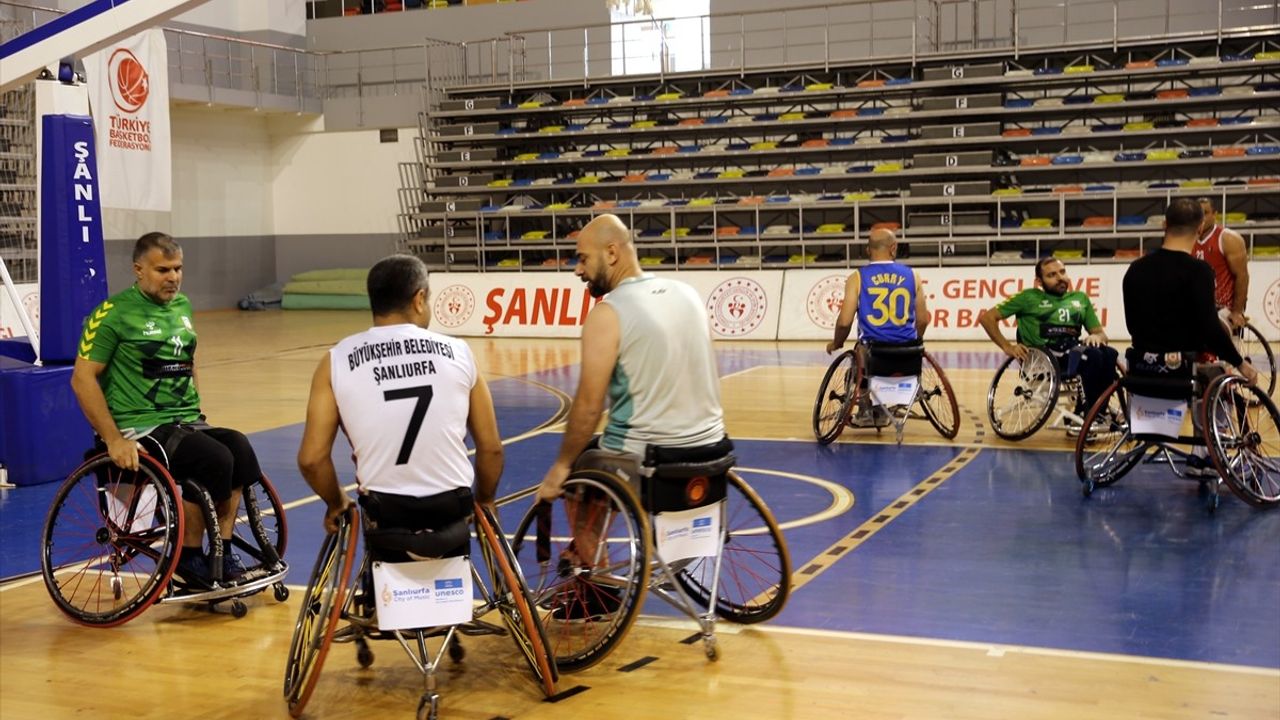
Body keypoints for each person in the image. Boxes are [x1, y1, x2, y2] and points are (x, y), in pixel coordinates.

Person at [72, 232, 262, 584]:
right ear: (139, 270)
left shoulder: (182, 307)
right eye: (163, 270)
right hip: (140, 426)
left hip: (184, 420)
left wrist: (197, 412)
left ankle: (224, 548)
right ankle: (188, 557)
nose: (173, 277)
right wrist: (113, 439)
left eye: (178, 269)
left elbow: (188, 362)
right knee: (211, 459)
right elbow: (82, 379)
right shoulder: (112, 314)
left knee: (239, 448)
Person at [297, 254, 502, 552]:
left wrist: (336, 502)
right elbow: (491, 448)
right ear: (420, 299)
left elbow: (312, 459)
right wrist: (484, 500)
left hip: (384, 508)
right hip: (451, 504)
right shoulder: (459, 352)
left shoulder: (335, 361)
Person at [535, 213, 727, 504]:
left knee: (580, 466)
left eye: (583, 259)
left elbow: (589, 407)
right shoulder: (688, 293)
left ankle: (589, 551)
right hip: (713, 446)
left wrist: (560, 468)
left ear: (611, 253)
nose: (578, 270)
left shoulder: (607, 313)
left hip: (649, 456)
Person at [1125, 199, 1258, 475]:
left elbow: (1132, 325)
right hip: (1183, 371)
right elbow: (1210, 330)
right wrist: (1240, 363)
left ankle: (1190, 448)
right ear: (1199, 229)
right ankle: (1209, 455)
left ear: (1164, 225)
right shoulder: (1199, 271)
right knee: (1219, 370)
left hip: (1141, 369)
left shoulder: (1135, 269)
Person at [978, 256, 1118, 417]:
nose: (1060, 278)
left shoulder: (1080, 299)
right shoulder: (1028, 297)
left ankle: (1098, 413)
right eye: (1052, 275)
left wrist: (1097, 337)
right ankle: (1084, 415)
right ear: (1039, 281)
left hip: (1072, 350)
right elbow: (987, 318)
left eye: (1062, 272)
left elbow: (1100, 333)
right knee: (1092, 356)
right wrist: (1007, 346)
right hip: (1044, 357)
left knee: (1110, 353)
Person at [826, 228, 930, 426]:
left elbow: (844, 322)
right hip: (908, 353)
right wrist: (913, 342)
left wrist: (836, 342)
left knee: (858, 358)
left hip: (874, 353)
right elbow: (923, 320)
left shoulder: (857, 277)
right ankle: (890, 403)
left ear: (867, 250)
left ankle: (866, 411)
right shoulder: (913, 275)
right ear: (893, 248)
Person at [1194, 197, 1250, 330]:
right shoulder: (1186, 239)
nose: (1201, 218)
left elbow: (1242, 276)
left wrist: (1236, 312)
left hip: (1223, 307)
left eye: (1205, 213)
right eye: (1197, 214)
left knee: (1215, 329)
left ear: (1215, 214)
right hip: (1196, 307)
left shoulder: (1229, 239)